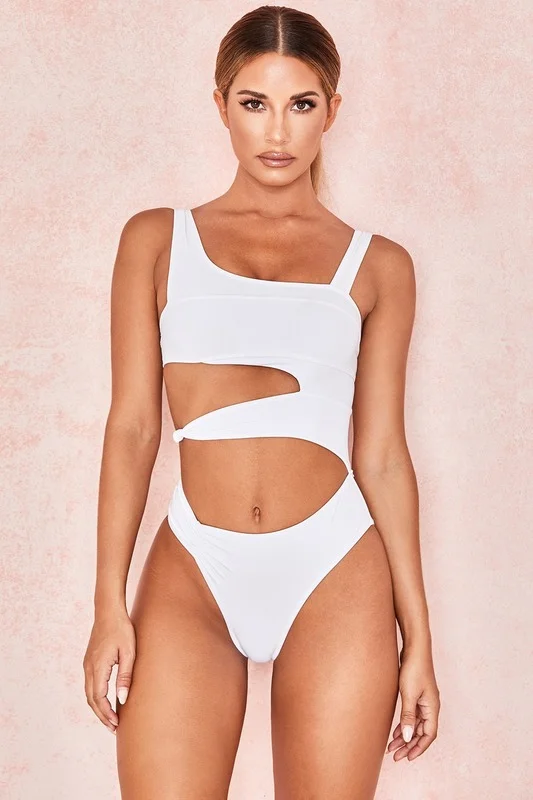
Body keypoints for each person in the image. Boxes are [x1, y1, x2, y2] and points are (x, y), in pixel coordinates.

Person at [83, 5, 440, 798]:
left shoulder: (378, 266)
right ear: (221, 106)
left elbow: (383, 454)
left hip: (334, 569)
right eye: (254, 103)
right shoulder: (156, 240)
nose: (276, 131)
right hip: (194, 570)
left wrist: (418, 638)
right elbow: (132, 428)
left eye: (300, 104)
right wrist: (108, 604)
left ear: (331, 111)